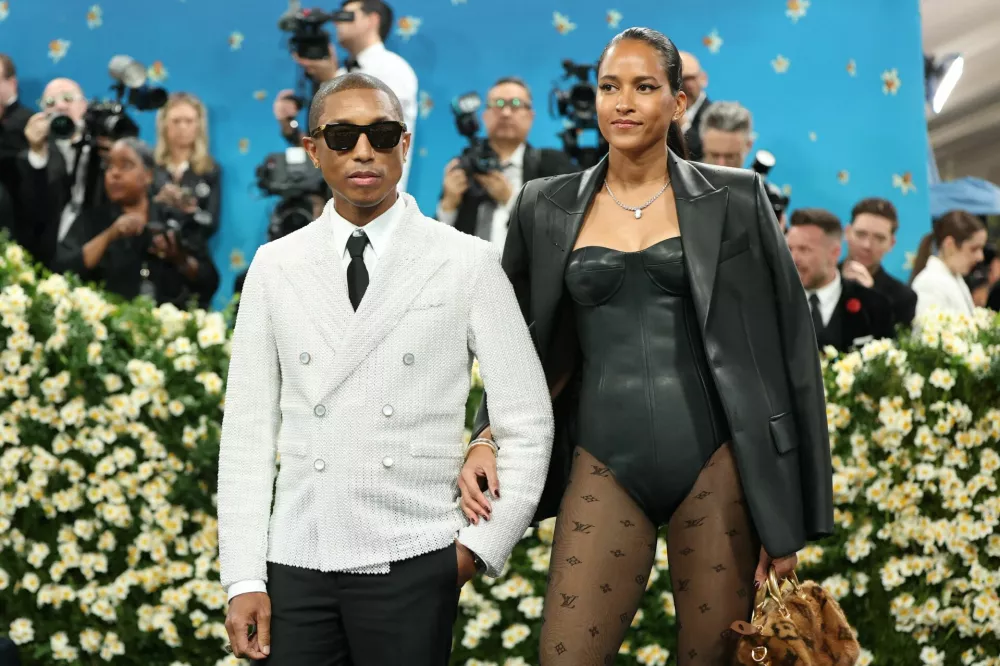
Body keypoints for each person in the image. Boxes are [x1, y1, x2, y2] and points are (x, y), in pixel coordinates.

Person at [460, 27, 833, 665]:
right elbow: (513, 345)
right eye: (609, 87)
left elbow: (792, 354)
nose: (623, 102)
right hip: (602, 461)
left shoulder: (738, 198)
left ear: (678, 101)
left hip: (719, 465)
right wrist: (485, 433)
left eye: (643, 87)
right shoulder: (541, 206)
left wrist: (791, 517)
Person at [218, 72, 553, 665]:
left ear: (404, 143)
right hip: (298, 557)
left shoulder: (466, 261)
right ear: (313, 148)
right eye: (343, 136)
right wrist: (244, 577)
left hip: (415, 555)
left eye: (381, 133)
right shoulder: (275, 265)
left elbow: (526, 415)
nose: (363, 151)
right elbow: (245, 435)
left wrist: (477, 549)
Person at [51, 138, 219, 309]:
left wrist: (179, 257)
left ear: (148, 175)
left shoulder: (173, 218)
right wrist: (110, 235)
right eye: (109, 166)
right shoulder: (92, 220)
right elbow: (63, 270)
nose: (114, 174)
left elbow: (209, 281)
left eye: (125, 166)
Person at [273, 0, 418, 191]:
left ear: (372, 20)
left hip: (379, 199)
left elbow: (372, 128)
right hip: (337, 202)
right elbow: (332, 145)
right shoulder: (340, 74)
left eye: (347, 16)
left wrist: (330, 80)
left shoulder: (392, 68)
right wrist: (289, 128)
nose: (337, 23)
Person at [436, 76, 576, 246]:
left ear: (530, 116)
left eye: (516, 104)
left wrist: (510, 200)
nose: (506, 113)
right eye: (498, 104)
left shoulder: (552, 165)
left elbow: (564, 232)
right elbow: (436, 243)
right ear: (484, 115)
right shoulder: (465, 165)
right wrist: (448, 204)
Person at [786, 208, 895, 352]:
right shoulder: (771, 304)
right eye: (789, 249)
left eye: (804, 249)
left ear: (834, 253)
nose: (793, 259)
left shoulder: (874, 306)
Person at [17, 78, 95, 267]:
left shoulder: (102, 148)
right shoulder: (29, 156)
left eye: (68, 99)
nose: (60, 106)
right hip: (46, 254)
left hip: (95, 249)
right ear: (43, 112)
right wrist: (37, 151)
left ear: (83, 105)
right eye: (50, 103)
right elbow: (30, 207)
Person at [152, 92, 222, 242]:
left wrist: (191, 211)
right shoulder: (151, 167)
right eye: (176, 121)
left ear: (199, 125)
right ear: (164, 124)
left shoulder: (210, 169)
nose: (182, 127)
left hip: (193, 256)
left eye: (189, 121)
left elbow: (211, 224)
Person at [842, 197, 917, 328]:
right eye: (860, 234)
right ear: (847, 233)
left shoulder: (903, 298)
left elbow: (892, 345)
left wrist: (872, 297)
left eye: (879, 238)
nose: (867, 245)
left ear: (891, 243)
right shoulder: (817, 281)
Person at [909, 210, 987, 319]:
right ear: (950, 244)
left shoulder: (954, 277)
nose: (980, 257)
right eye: (974, 249)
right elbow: (927, 333)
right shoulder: (930, 283)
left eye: (981, 249)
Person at [697, 101, 753, 169]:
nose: (721, 165)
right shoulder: (684, 178)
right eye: (714, 155)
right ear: (703, 143)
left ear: (749, 145)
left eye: (730, 156)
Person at [679, 50, 712, 162]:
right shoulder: (663, 114)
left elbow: (703, 154)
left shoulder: (716, 115)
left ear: (703, 78)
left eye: (691, 78)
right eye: (682, 79)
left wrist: (683, 125)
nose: (687, 85)